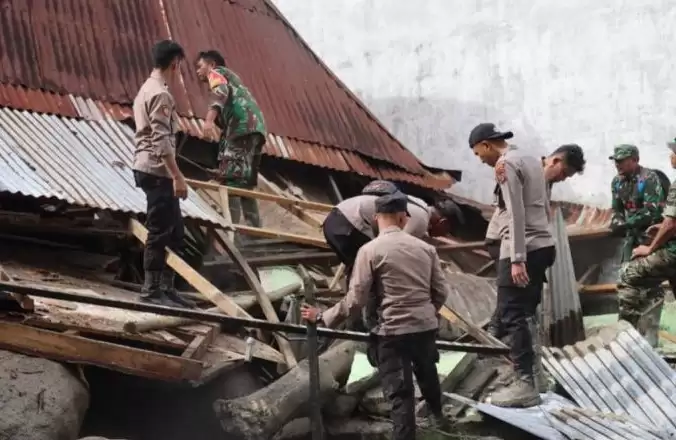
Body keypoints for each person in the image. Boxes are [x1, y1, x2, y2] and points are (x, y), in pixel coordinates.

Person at [301, 191, 450, 439]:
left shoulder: (369, 251)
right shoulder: (426, 249)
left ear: (375, 218)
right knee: (427, 374)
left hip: (391, 332)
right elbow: (442, 291)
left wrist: (322, 316)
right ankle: (441, 421)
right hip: (424, 328)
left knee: (401, 396)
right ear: (404, 218)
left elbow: (356, 300)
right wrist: (426, 312)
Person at [469, 122, 555, 407]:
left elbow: (515, 212)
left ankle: (525, 384)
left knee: (512, 315)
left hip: (522, 248)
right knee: (526, 312)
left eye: (478, 153)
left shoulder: (504, 165)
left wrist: (517, 258)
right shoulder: (531, 158)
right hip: (543, 245)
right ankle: (537, 378)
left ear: (486, 145)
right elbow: (545, 205)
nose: (480, 159)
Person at [486, 143, 587, 339]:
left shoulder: (546, 181)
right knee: (514, 296)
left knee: (526, 295)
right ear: (555, 161)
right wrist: (517, 257)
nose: (562, 178)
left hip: (527, 241)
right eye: (564, 173)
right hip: (504, 239)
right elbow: (515, 213)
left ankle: (505, 336)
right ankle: (495, 333)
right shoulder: (526, 169)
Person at [132, 40, 195, 308]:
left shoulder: (146, 89)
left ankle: (167, 288)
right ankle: (151, 290)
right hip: (157, 170)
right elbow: (161, 140)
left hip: (152, 168)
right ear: (175, 63)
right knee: (159, 231)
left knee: (176, 231)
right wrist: (177, 176)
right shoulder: (160, 94)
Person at [322, 179, 463, 286]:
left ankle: (354, 310)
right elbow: (395, 249)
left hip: (335, 220)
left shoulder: (419, 206)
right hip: (349, 226)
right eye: (446, 232)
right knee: (373, 274)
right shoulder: (421, 219)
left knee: (360, 273)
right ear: (443, 222)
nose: (442, 235)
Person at [195, 50, 267, 228]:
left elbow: (220, 92)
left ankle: (231, 230)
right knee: (244, 181)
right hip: (255, 128)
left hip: (242, 127)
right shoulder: (234, 81)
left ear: (212, 65)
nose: (197, 71)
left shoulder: (217, 73)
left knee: (231, 179)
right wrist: (221, 169)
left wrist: (208, 120)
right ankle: (254, 231)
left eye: (200, 66)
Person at [618, 140, 676, 346]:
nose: (671, 157)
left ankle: (628, 342)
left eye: (674, 152)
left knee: (628, 275)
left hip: (672, 252)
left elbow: (672, 223)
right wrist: (662, 227)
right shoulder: (619, 182)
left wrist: (652, 247)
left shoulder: (652, 179)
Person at [609, 144, 667, 262]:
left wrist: (625, 224)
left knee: (648, 270)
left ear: (635, 160)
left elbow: (651, 211)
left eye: (621, 160)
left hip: (651, 235)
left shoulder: (648, 178)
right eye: (616, 161)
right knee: (625, 268)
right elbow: (616, 209)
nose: (617, 164)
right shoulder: (617, 182)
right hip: (631, 235)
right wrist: (617, 221)